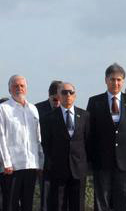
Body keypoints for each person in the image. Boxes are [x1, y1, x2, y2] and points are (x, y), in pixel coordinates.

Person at [87, 63, 126, 211]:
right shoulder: (95, 102)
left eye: (119, 80)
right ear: (106, 80)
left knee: (124, 200)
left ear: (123, 81)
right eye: (112, 79)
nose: (115, 83)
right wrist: (91, 159)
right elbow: (89, 133)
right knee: (102, 201)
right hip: (102, 161)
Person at [42, 82, 91, 211]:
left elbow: (88, 141)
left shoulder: (85, 116)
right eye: (64, 92)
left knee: (78, 205)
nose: (68, 95)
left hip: (78, 169)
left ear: (75, 96)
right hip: (57, 170)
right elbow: (46, 144)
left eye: (71, 92)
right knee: (58, 205)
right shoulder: (49, 118)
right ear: (58, 95)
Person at [0, 75, 45, 211]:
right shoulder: (3, 109)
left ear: (26, 88)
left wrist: (40, 162)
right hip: (12, 166)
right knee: (10, 204)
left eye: (22, 85)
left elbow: (38, 138)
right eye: (15, 86)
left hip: (31, 164)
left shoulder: (33, 109)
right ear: (9, 89)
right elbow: (1, 137)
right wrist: (6, 162)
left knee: (28, 204)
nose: (19, 88)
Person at [35, 80, 62, 211]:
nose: (57, 103)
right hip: (44, 159)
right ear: (49, 96)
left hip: (62, 160)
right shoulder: (37, 109)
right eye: (54, 99)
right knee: (45, 196)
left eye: (59, 99)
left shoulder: (67, 110)